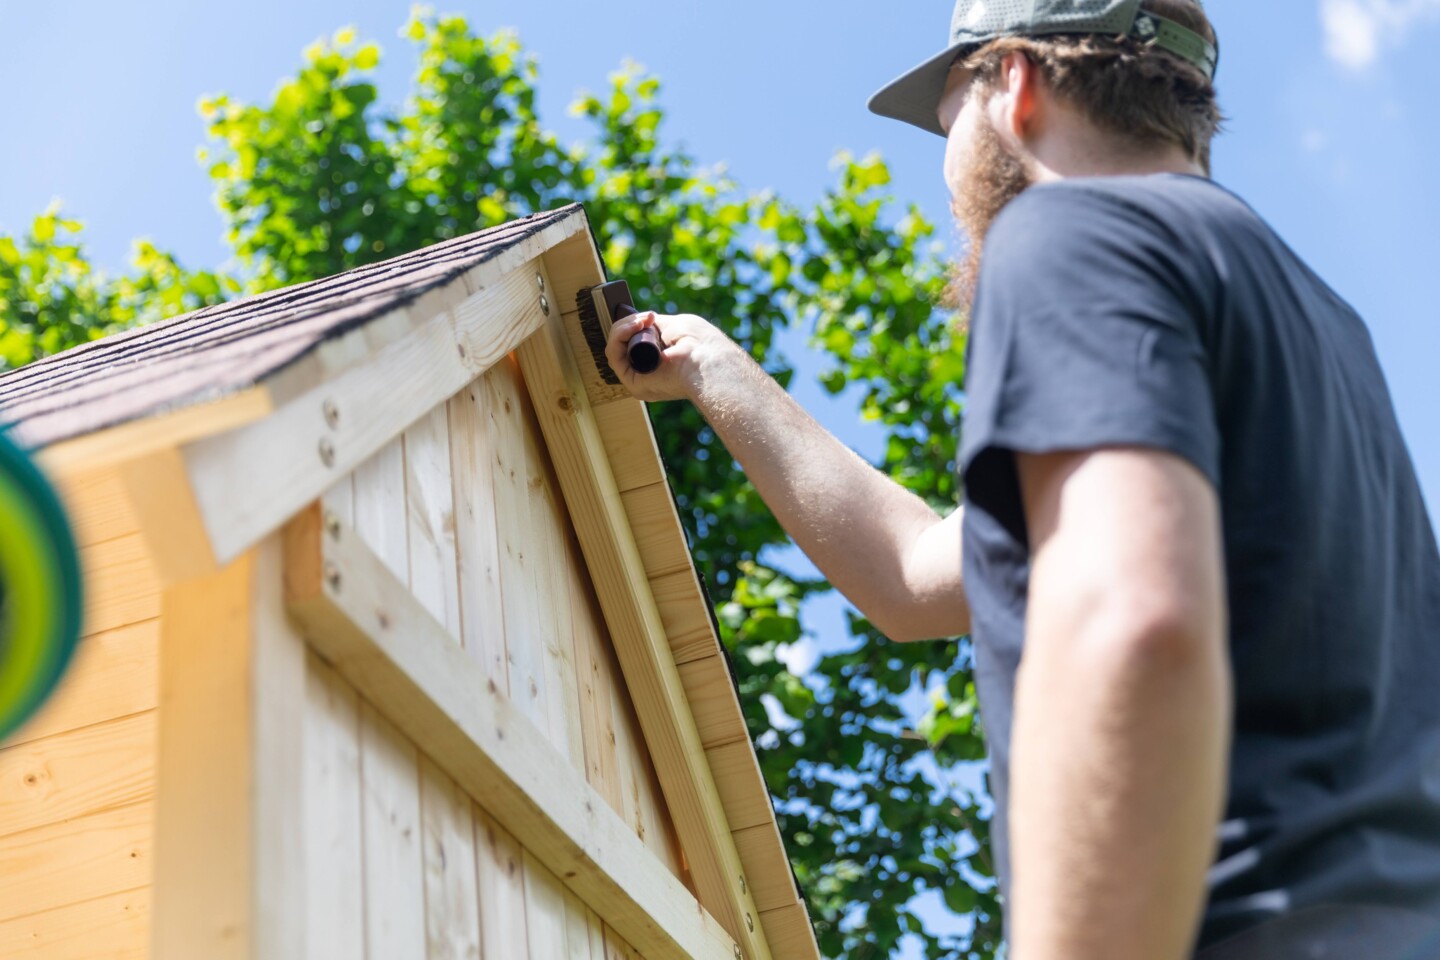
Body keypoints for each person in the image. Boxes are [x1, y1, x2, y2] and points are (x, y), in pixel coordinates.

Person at [603, 1, 1440, 957]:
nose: (946, 156)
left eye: (949, 110)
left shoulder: (1071, 233)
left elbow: (1132, 622)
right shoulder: (1325, 331)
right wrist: (711, 367)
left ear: (1015, 84)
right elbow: (915, 576)